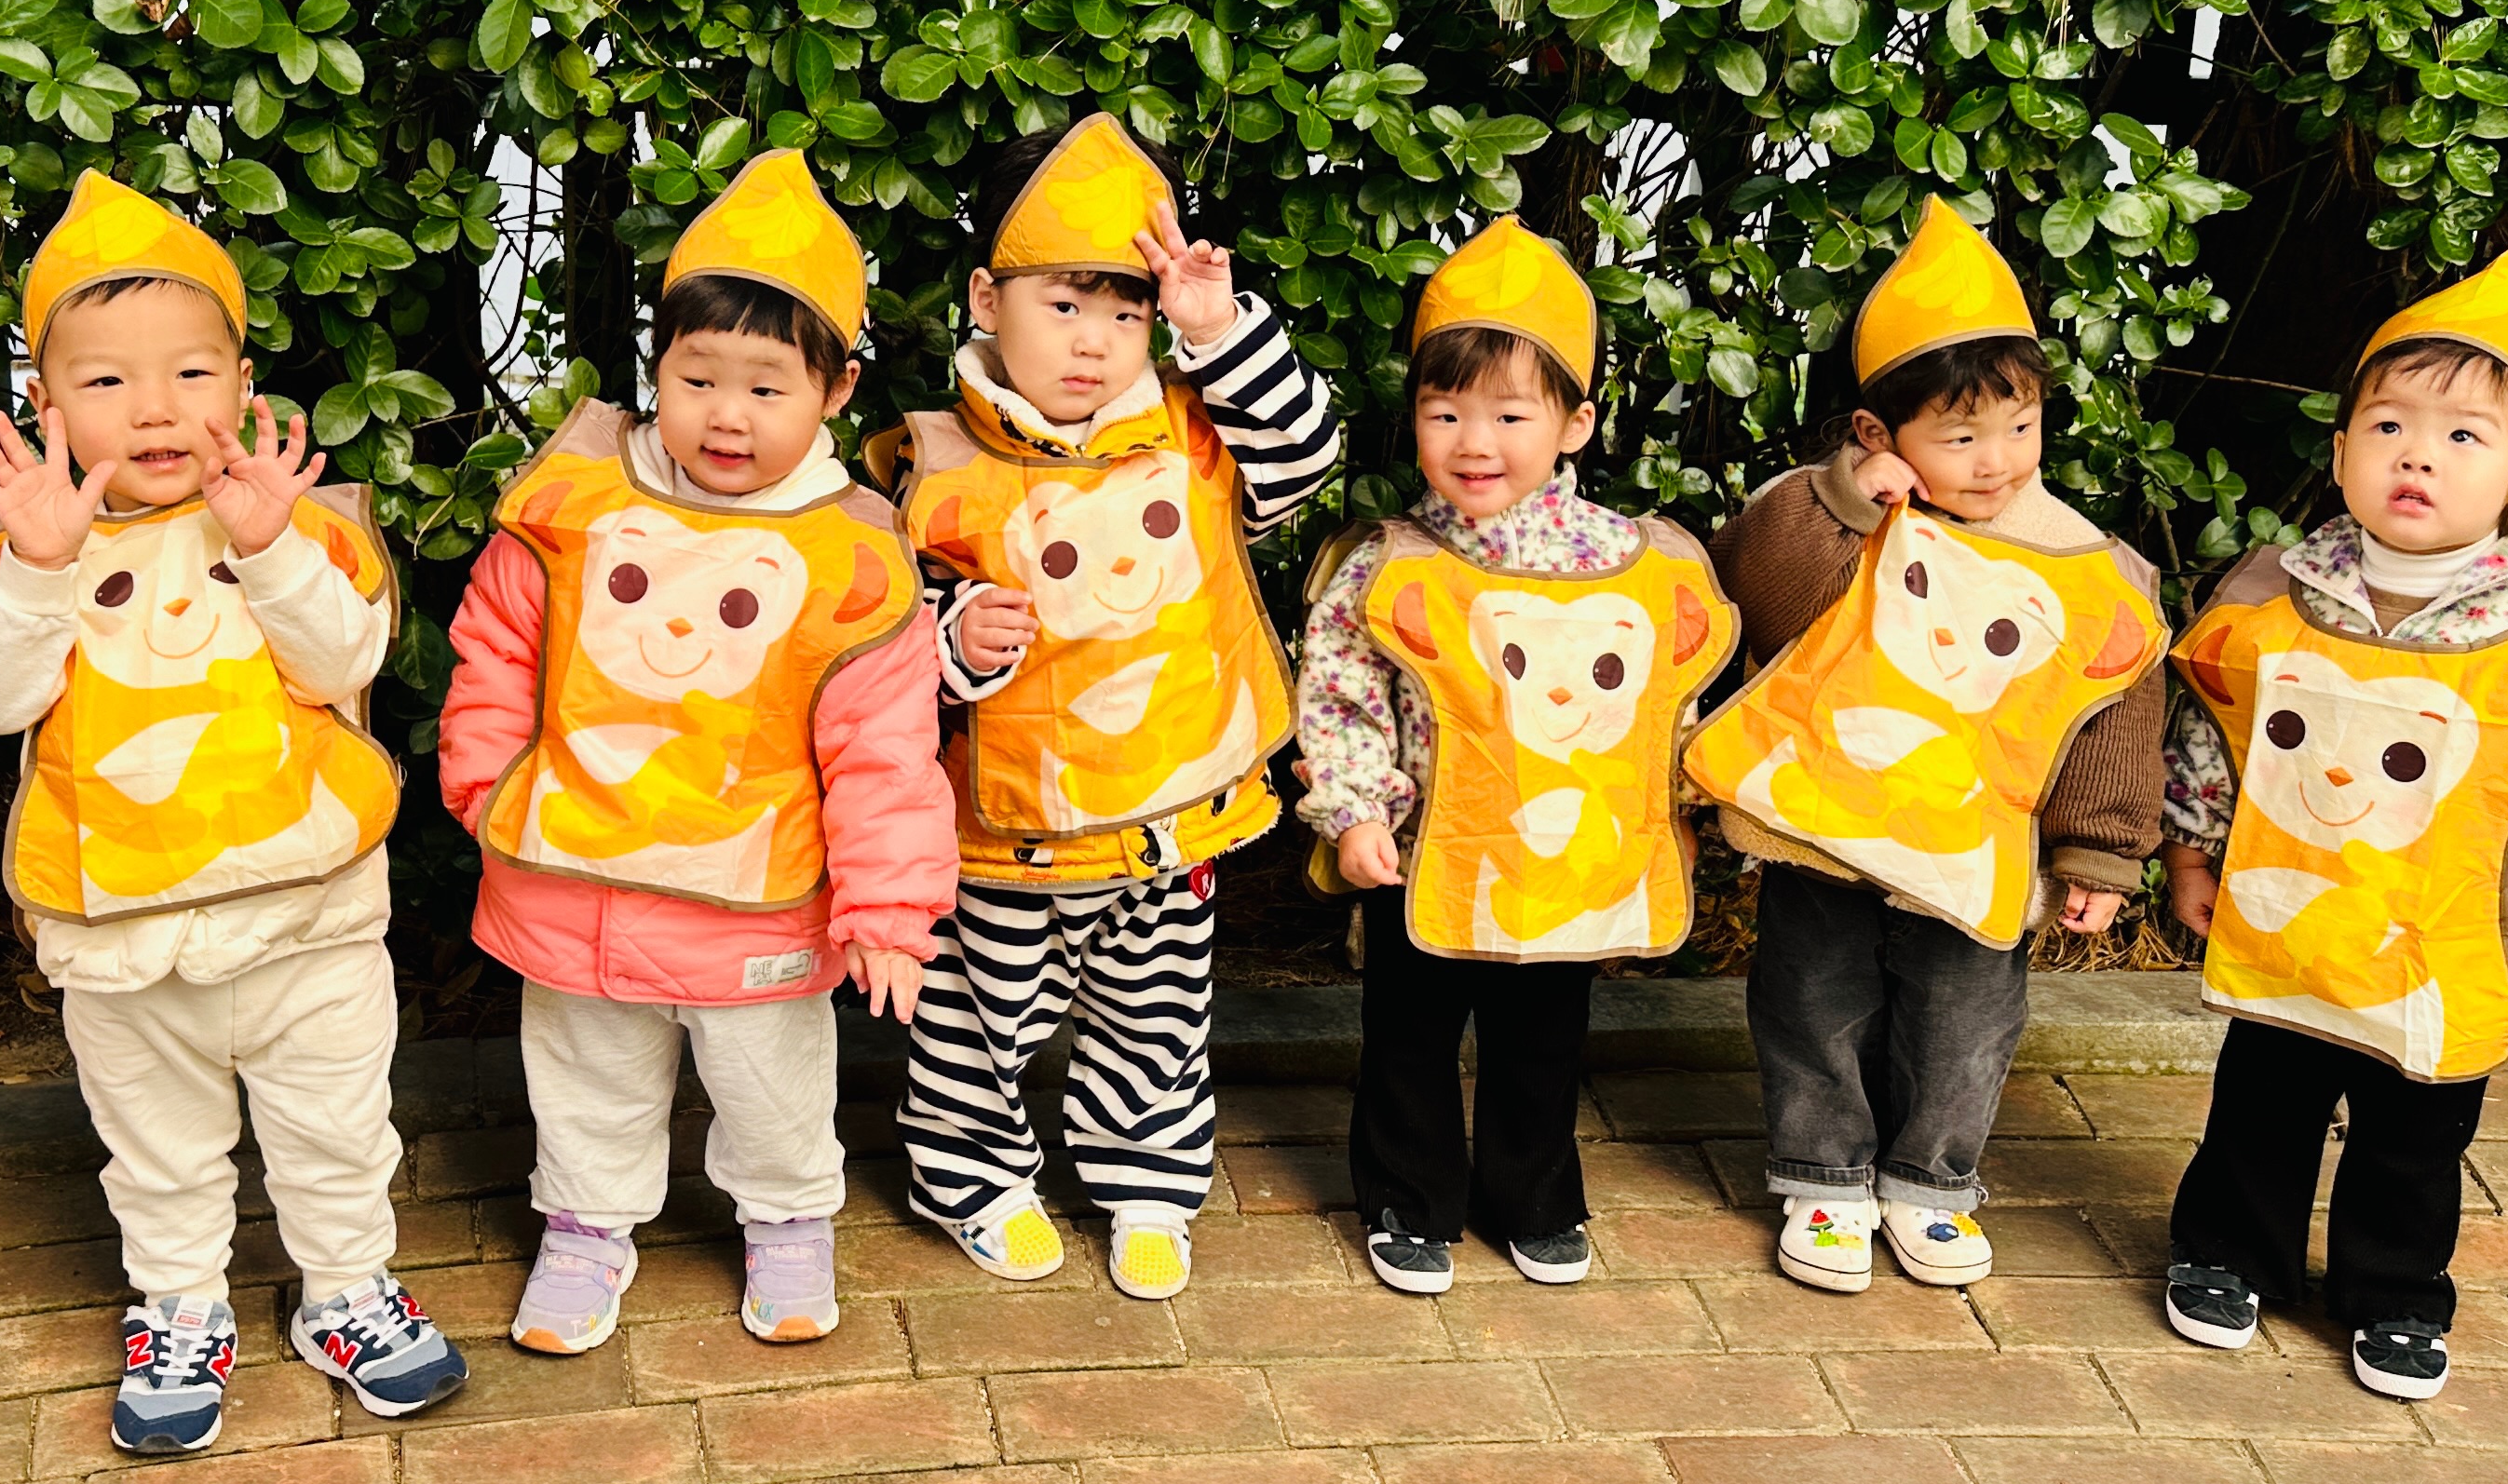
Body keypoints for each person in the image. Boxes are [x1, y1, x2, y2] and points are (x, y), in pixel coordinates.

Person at [0, 171, 463, 1454]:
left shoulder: (298, 529)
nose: (155, 407)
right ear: (47, 404)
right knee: (158, 1147)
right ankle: (178, 1305)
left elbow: (346, 666)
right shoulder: (24, 548)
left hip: (309, 915)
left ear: (243, 384)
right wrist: (38, 570)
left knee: (337, 1128)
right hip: (121, 929)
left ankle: (345, 1291)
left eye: (190, 372)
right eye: (107, 380)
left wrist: (271, 549)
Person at [2158, 251, 2508, 1399]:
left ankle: (2395, 1293)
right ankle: (2229, 1251)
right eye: (2390, 424)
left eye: (2463, 435)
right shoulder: (2271, 597)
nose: (2418, 455)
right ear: (2341, 451)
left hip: (2440, 952)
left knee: (2415, 1139)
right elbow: (2216, 729)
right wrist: (2192, 849)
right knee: (2259, 1105)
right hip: (2291, 926)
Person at [440, 150, 954, 1355]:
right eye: (697, 377)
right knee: (587, 1068)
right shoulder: (577, 509)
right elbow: (498, 646)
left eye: (767, 387)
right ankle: (585, 1225)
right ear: (656, 366)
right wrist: (489, 783)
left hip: (758, 892)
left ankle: (787, 1217)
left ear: (837, 389)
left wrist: (888, 911)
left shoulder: (850, 556)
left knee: (771, 1080)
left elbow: (886, 750)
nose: (728, 413)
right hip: (578, 872)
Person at [885, 116, 1343, 1302]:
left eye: (1126, 312)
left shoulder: (1201, 439)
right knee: (975, 1023)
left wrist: (1216, 329)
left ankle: (1148, 1188)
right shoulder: (934, 464)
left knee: (1155, 1019)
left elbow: (1305, 457)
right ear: (987, 298)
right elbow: (878, 649)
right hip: (999, 837)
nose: (1094, 342)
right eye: (1063, 306)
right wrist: (952, 642)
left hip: (1167, 823)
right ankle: (975, 1180)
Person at [1688, 198, 2168, 1296]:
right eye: (1960, 437)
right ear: (1877, 433)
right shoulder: (1837, 512)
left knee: (1966, 1019)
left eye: (2020, 427)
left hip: (1977, 844)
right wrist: (1846, 505)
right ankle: (1823, 1173)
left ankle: (1932, 1180)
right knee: (1812, 996)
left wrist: (2100, 851)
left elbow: (2115, 708)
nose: (1997, 462)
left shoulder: (2089, 563)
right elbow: (1755, 594)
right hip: (1827, 826)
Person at [1295, 220, 1732, 1295]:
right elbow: (1343, 695)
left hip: (1568, 858)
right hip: (1424, 851)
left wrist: (1671, 813)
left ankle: (1533, 1194)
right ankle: (1408, 1199)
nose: (1472, 441)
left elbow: (1665, 708)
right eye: (1444, 412)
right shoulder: (1390, 563)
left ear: (1575, 422)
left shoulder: (1635, 563)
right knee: (1409, 1032)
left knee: (1544, 1035)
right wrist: (1355, 811)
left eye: (1509, 413)